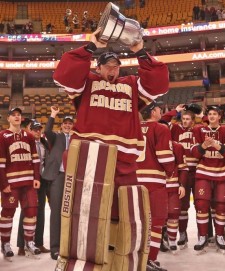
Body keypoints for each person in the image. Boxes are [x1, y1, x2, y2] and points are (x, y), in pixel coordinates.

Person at [53, 27, 169, 223]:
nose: (112, 69)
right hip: (90, 158)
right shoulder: (87, 82)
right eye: (107, 66)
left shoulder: (132, 84)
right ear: (98, 68)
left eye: (116, 66)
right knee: (86, 219)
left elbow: (159, 84)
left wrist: (140, 51)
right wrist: (91, 46)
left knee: (123, 218)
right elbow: (64, 74)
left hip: (124, 162)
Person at [138, 101, 175, 271]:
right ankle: (149, 259)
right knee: (156, 221)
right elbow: (165, 157)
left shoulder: (133, 128)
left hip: (133, 181)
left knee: (138, 222)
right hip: (154, 181)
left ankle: (137, 258)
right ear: (153, 112)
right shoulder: (161, 128)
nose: (162, 111)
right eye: (160, 108)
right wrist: (171, 171)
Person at [191, 106, 225, 253]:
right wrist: (204, 145)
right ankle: (202, 236)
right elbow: (195, 154)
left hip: (222, 173)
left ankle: (220, 235)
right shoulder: (198, 130)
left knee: (221, 207)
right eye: (209, 114)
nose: (212, 116)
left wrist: (216, 144)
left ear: (220, 116)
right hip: (203, 172)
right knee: (201, 205)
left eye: (215, 114)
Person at [0, 107, 41, 261]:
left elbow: (35, 159)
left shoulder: (29, 136)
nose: (17, 117)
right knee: (8, 213)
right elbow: (1, 164)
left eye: (19, 115)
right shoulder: (2, 136)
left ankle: (29, 242)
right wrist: (3, 183)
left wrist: (36, 178)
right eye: (13, 115)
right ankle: (5, 244)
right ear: (8, 118)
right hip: (11, 183)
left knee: (31, 212)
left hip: (28, 181)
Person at [161, 104, 200, 249]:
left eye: (188, 119)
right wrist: (175, 111)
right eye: (183, 118)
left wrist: (200, 113)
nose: (184, 121)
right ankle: (182, 233)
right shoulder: (176, 129)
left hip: (196, 172)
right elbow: (162, 122)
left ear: (193, 120)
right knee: (182, 207)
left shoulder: (198, 130)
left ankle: (206, 234)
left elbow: (211, 122)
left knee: (200, 205)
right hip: (181, 173)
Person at [41, 107, 74, 260]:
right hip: (58, 176)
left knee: (72, 212)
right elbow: (47, 131)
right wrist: (53, 115)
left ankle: (69, 245)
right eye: (65, 123)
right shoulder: (56, 137)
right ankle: (55, 247)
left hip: (73, 177)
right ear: (61, 126)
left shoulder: (77, 139)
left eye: (70, 123)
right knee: (56, 212)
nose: (67, 125)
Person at [17, 121, 50, 256]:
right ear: (30, 130)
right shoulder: (25, 143)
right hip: (29, 179)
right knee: (26, 210)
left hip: (42, 180)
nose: (37, 132)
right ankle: (21, 245)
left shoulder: (44, 143)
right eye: (34, 129)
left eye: (39, 130)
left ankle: (39, 243)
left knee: (40, 210)